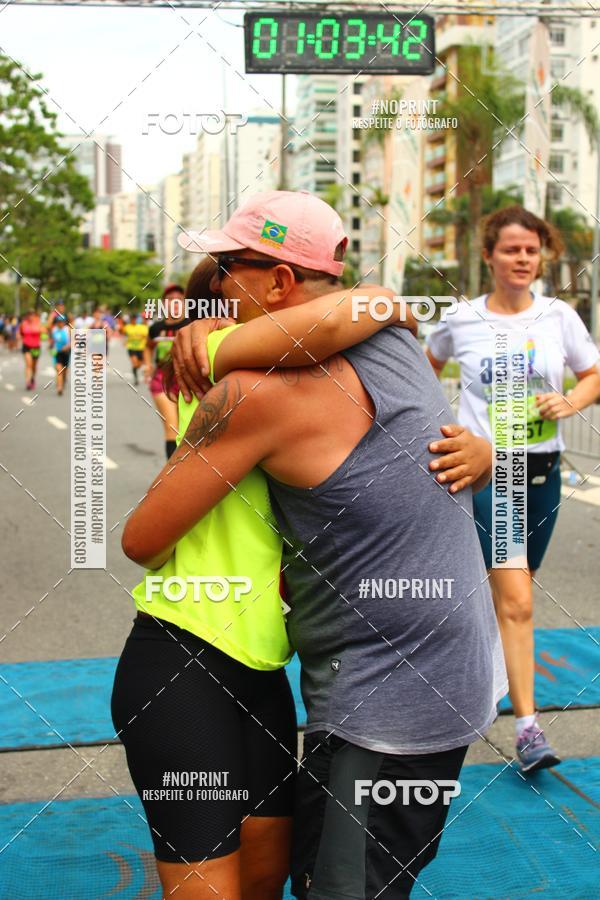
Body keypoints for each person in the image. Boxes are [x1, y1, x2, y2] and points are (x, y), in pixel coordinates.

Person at [120, 190, 506, 900]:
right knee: (324, 878)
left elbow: (141, 537)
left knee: (342, 888)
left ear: (279, 282)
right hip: (422, 681)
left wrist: (215, 353)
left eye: (228, 271)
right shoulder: (390, 336)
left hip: (387, 701)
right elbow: (366, 306)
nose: (219, 298)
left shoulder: (257, 393)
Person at [426, 205, 600, 773]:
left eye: (531, 250)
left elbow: (591, 373)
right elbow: (423, 369)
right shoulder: (460, 318)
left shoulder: (559, 316)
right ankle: (527, 729)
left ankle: (469, 675)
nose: (522, 259)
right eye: (511, 249)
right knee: (518, 600)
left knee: (511, 595)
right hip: (490, 475)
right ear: (488, 256)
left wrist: (570, 400)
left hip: (543, 473)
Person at [144, 284, 187, 459]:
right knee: (172, 427)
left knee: (186, 430)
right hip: (162, 380)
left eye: (179, 300)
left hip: (187, 380)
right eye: (170, 300)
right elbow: (148, 347)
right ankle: (173, 476)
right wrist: (148, 364)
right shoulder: (156, 328)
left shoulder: (192, 324)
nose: (175, 303)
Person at [19, 309, 43, 390]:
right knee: (28, 364)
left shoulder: (38, 323)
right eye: (29, 314)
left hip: (36, 347)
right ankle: (28, 382)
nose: (30, 316)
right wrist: (19, 337)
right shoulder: (23, 323)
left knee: (34, 366)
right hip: (26, 346)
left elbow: (44, 332)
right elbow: (20, 333)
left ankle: (32, 378)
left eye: (32, 314)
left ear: (35, 315)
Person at [123, 314, 149, 385]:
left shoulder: (142, 327)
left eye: (135, 319)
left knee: (139, 365)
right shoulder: (127, 327)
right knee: (134, 363)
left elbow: (146, 337)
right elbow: (124, 334)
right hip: (131, 348)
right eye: (132, 319)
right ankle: (136, 378)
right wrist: (125, 341)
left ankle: (137, 370)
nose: (133, 321)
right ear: (130, 320)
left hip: (141, 348)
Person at [51, 315, 72, 395]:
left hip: (66, 352)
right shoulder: (54, 330)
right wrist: (51, 347)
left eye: (62, 322)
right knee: (59, 370)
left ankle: (63, 381)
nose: (60, 323)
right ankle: (59, 387)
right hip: (57, 353)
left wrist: (68, 346)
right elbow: (52, 341)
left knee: (65, 370)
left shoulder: (68, 330)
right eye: (58, 322)